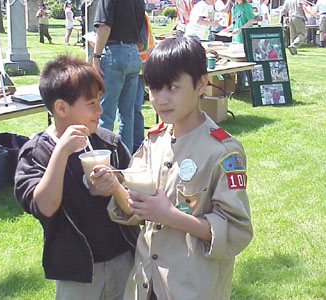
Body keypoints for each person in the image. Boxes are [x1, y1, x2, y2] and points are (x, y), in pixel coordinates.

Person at [91, 37, 253, 300]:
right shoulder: (154, 141)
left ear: (201, 84)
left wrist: (171, 216)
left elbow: (236, 231)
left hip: (191, 287)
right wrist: (114, 187)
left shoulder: (222, 151)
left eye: (172, 87)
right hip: (146, 283)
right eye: (154, 89)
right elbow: (138, 209)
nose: (161, 99)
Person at [14, 55, 139, 300]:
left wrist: (114, 186)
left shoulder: (108, 143)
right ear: (61, 108)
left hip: (124, 259)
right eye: (91, 103)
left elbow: (135, 206)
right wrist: (61, 152)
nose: (100, 110)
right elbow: (46, 207)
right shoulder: (36, 153)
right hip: (77, 272)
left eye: (100, 101)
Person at [93, 0, 145, 153]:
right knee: (127, 114)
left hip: (114, 53)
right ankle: (125, 158)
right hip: (134, 54)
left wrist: (96, 56)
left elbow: (105, 26)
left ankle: (104, 156)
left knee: (105, 113)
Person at [134, 13, 155, 152]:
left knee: (134, 109)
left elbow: (140, 43)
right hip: (140, 64)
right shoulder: (140, 13)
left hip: (139, 66)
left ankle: (137, 145)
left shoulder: (139, 15)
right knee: (133, 109)